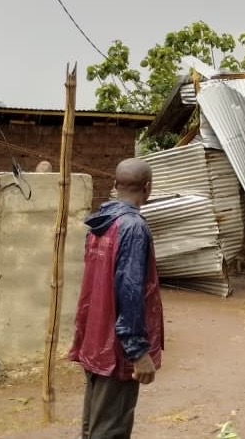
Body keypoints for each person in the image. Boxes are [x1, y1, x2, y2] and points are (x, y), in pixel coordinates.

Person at [69, 158, 164, 439]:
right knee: (110, 430)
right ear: (148, 188)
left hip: (95, 339)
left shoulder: (101, 224)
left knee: (94, 426)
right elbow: (131, 290)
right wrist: (137, 351)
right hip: (116, 349)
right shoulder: (132, 227)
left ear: (114, 185)